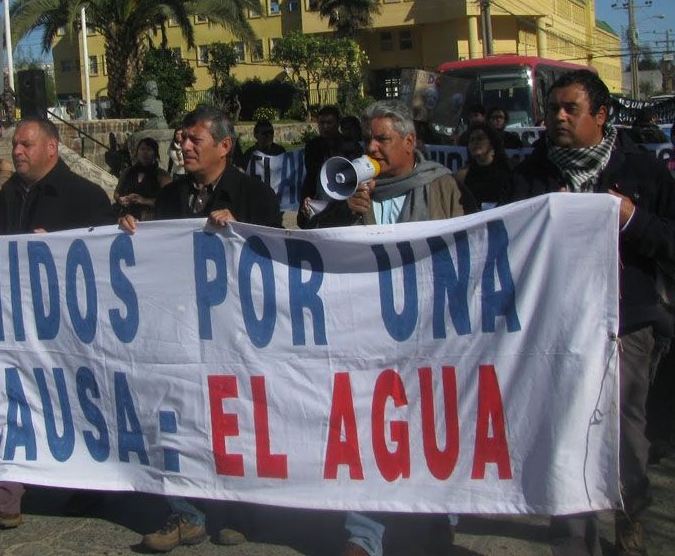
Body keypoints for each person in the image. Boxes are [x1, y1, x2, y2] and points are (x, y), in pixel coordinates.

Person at [508, 70, 675, 556]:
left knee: (623, 435)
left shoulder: (642, 171)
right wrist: (538, 221)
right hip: (556, 327)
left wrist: (632, 220)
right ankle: (574, 540)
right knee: (565, 432)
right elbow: (507, 247)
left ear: (601, 116)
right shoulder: (532, 175)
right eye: (553, 109)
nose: (557, 118)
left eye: (570, 109)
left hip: (626, 325)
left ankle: (630, 521)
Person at [302, 100, 473, 556]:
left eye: (382, 139)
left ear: (410, 142)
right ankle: (364, 534)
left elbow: (464, 249)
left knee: (431, 426)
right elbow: (330, 251)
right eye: (369, 139)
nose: (371, 146)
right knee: (368, 427)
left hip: (430, 330)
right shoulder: (356, 188)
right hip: (372, 332)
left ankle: (438, 519)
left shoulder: (441, 186)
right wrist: (354, 213)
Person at [120, 105, 281, 553]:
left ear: (224, 146)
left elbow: (275, 264)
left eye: (195, 140)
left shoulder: (255, 196)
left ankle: (238, 513)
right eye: (182, 139)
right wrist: (131, 232)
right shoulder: (171, 198)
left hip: (237, 336)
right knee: (182, 418)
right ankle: (187, 512)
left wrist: (241, 233)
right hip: (184, 331)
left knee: (237, 424)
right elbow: (157, 258)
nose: (184, 147)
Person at [0, 116, 113, 531]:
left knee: (76, 404)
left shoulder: (87, 196)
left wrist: (57, 251)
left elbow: (108, 265)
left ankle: (89, 480)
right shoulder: (8, 195)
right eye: (14, 146)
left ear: (51, 148)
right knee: (13, 404)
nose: (17, 152)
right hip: (18, 325)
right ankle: (4, 496)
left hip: (72, 330)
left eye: (26, 145)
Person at [298, 105, 361, 227]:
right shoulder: (312, 146)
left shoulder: (350, 146)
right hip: (319, 198)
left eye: (329, 123)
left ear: (337, 124)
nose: (325, 127)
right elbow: (311, 175)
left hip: (344, 200)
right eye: (322, 123)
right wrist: (307, 198)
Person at [455, 124, 516, 208]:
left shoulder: (510, 168)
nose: (475, 142)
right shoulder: (462, 174)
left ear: (492, 143)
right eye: (471, 140)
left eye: (480, 138)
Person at [114, 136, 170, 221]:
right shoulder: (127, 172)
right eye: (142, 149)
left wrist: (144, 200)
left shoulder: (162, 175)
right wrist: (120, 199)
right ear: (137, 152)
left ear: (155, 154)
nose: (145, 152)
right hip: (128, 218)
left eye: (149, 150)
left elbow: (168, 200)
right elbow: (117, 192)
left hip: (151, 219)